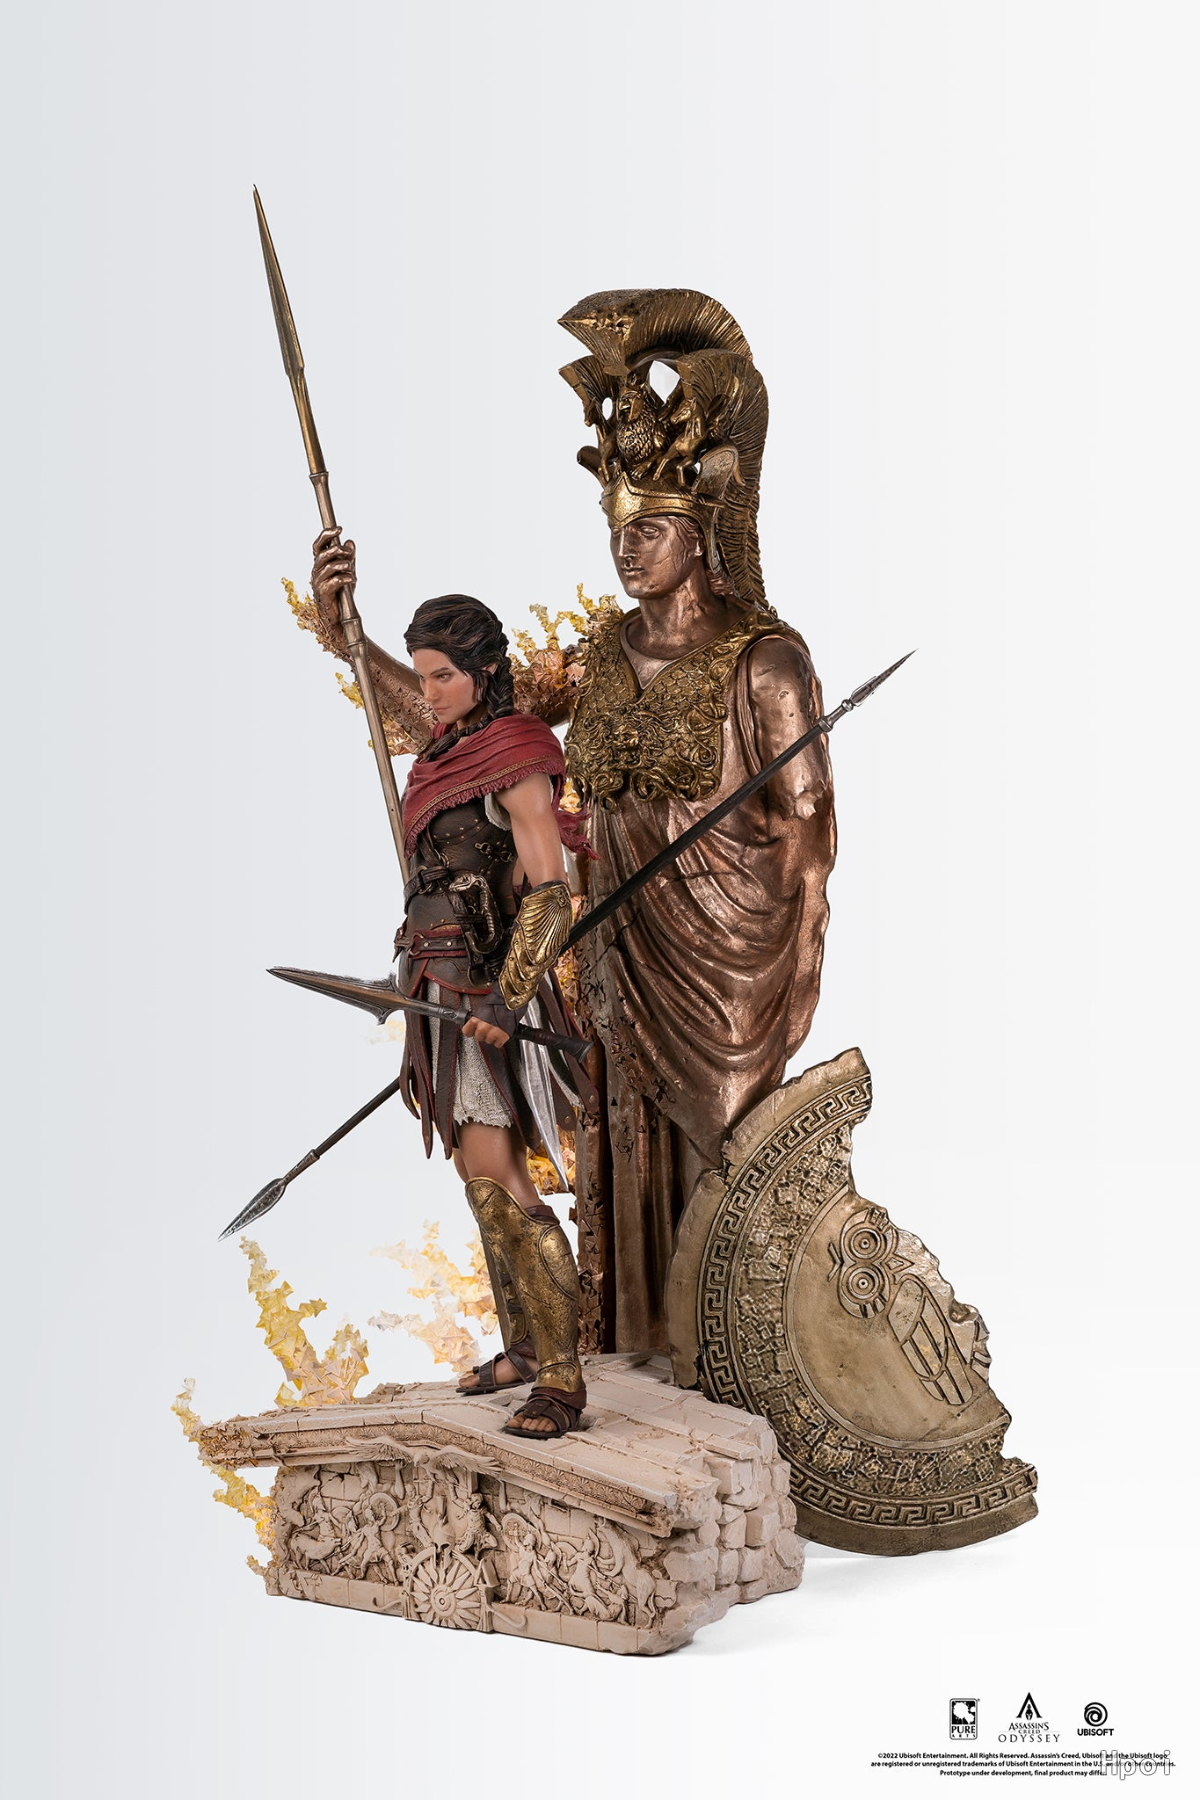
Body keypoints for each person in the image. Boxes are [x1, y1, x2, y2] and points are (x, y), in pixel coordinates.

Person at [302, 289, 837, 1359]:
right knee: (614, 1148)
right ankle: (610, 1353)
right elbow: (461, 725)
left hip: (728, 962)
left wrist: (787, 954)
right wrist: (351, 638)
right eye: (617, 532)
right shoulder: (597, 658)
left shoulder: (766, 661)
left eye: (650, 530)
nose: (628, 551)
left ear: (700, 531)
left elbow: (810, 833)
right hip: (610, 956)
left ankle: (727, 1364)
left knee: (720, 1157)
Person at [310, 553, 590, 1438]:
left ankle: (561, 1380)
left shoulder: (517, 758)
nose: (428, 693)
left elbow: (551, 894)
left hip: (489, 991)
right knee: (477, 1172)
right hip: (434, 985)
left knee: (501, 1176)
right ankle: (524, 1346)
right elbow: (379, 688)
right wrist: (340, 621)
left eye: (442, 676)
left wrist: (508, 1001)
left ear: (484, 670)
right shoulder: (446, 751)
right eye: (422, 675)